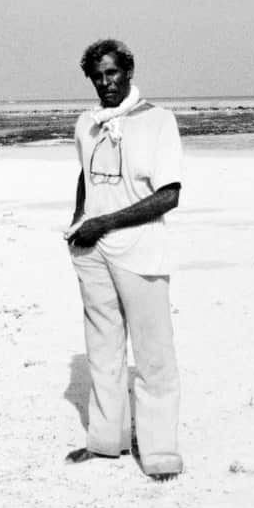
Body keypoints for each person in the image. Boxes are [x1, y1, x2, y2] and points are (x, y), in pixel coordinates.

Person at [64, 38, 184, 480]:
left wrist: (105, 222)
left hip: (141, 249)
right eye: (97, 75)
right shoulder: (87, 123)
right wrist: (79, 221)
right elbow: (85, 173)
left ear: (129, 71)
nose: (105, 82)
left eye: (112, 72)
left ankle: (159, 451)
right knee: (103, 349)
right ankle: (105, 441)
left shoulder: (159, 121)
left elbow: (168, 195)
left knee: (153, 355)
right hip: (92, 250)